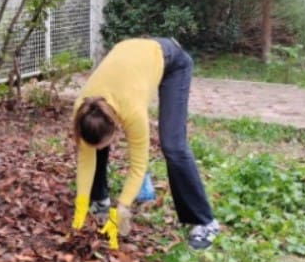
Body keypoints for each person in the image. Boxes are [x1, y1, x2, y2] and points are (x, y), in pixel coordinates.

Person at [71, 37, 220, 250]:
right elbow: (85, 159)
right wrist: (81, 203)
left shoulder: (132, 111)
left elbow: (139, 165)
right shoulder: (83, 109)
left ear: (117, 125)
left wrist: (123, 207)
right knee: (95, 141)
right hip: (131, 55)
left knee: (173, 146)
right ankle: (99, 200)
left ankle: (205, 222)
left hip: (171, 60)